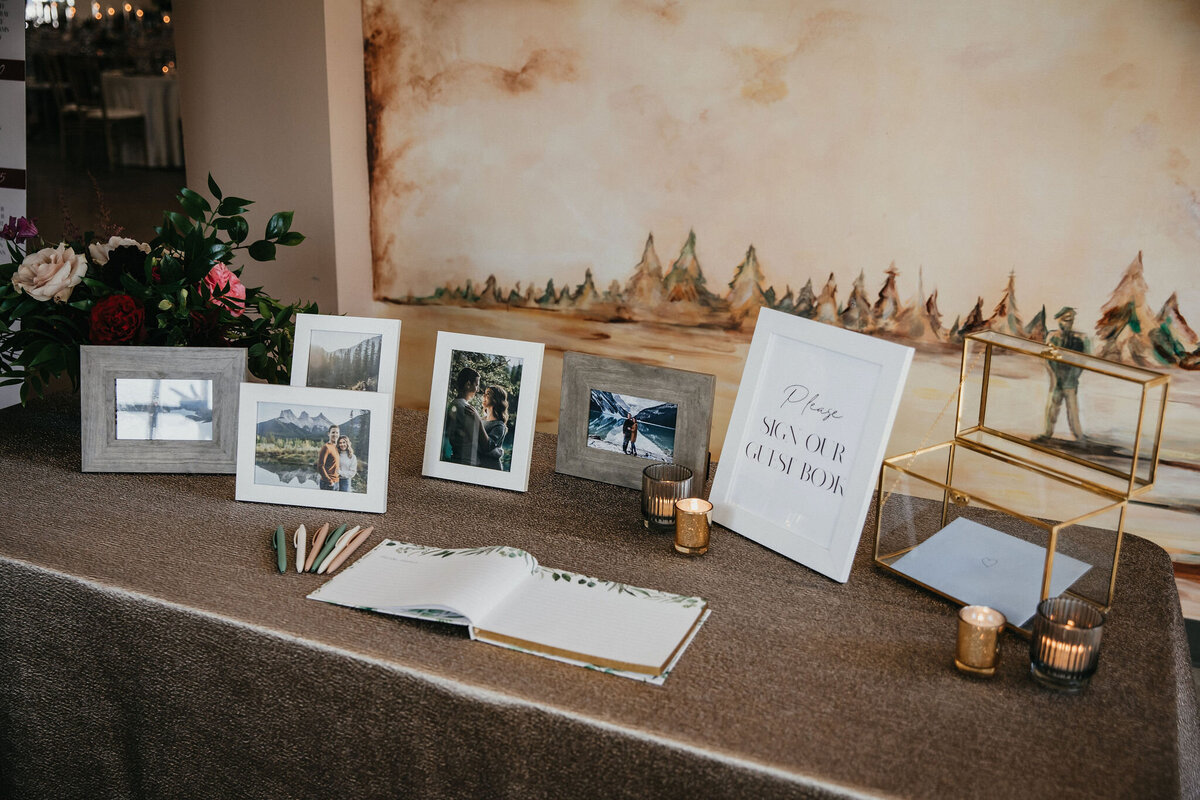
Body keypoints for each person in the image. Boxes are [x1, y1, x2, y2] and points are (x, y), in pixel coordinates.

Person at [1038, 306, 1090, 442]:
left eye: (1071, 320)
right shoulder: (1052, 337)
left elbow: (1084, 359)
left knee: (1073, 409)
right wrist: (1053, 375)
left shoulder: (1079, 340)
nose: (1069, 323)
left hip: (1070, 381)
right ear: (1058, 319)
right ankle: (1047, 434)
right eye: (1066, 319)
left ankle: (1078, 436)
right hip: (1057, 379)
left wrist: (1075, 375)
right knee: (1052, 408)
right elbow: (1046, 356)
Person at [443, 367, 495, 466]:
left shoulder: (455, 404)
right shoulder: (465, 409)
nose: (477, 389)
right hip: (467, 463)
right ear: (468, 384)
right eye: (476, 385)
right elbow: (486, 446)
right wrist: (478, 420)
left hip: (460, 460)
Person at [480, 385, 509, 471]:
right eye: (484, 393)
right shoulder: (481, 420)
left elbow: (488, 446)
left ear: (496, 400)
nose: (484, 396)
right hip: (479, 465)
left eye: (488, 394)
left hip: (491, 467)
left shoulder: (499, 426)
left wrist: (477, 424)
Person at [315, 425, 340, 490]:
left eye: (337, 433)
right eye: (333, 432)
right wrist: (330, 481)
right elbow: (320, 466)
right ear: (329, 434)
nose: (335, 434)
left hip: (336, 482)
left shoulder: (336, 447)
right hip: (328, 483)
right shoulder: (326, 447)